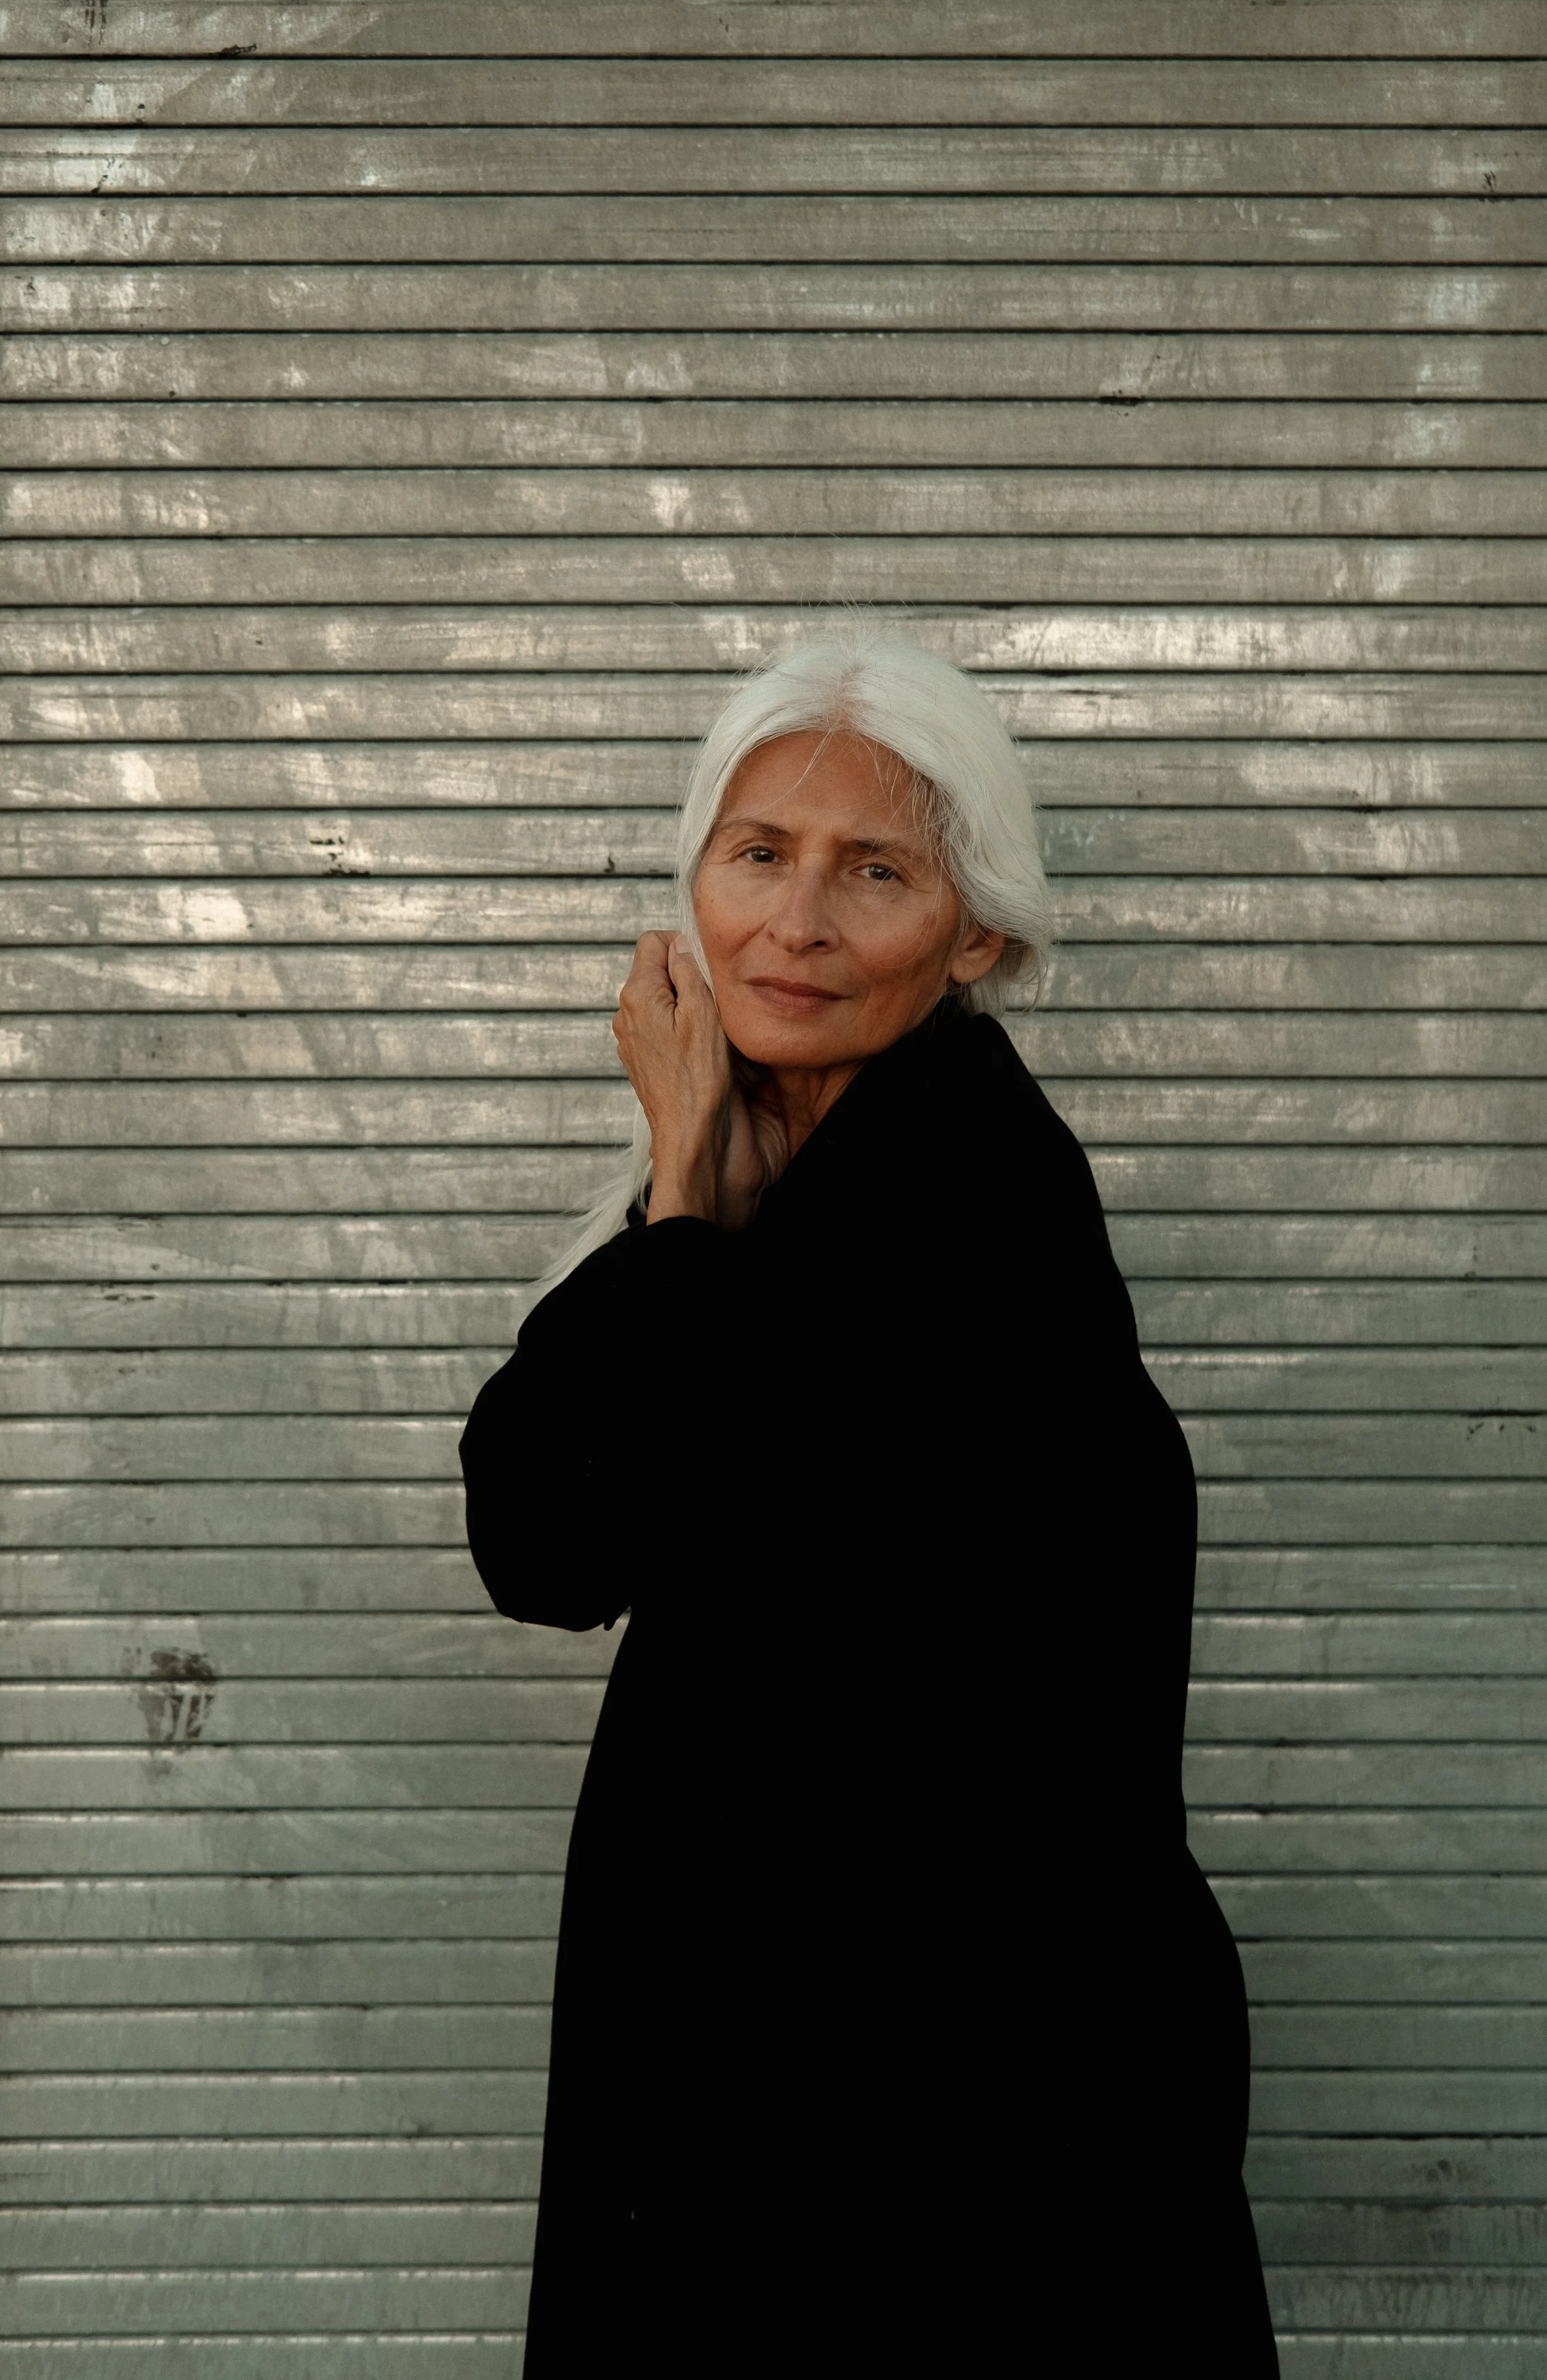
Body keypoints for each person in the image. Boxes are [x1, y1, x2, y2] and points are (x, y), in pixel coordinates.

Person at [461, 634, 1279, 2369]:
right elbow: (550, 1525)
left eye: (875, 871)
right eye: (758, 854)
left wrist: (679, 1202)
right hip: (835, 2126)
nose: (796, 924)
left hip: (930, 2170)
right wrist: (690, 1197)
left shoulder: (955, 1228)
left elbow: (556, 1535)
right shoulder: (818, 1188)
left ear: (973, 935)